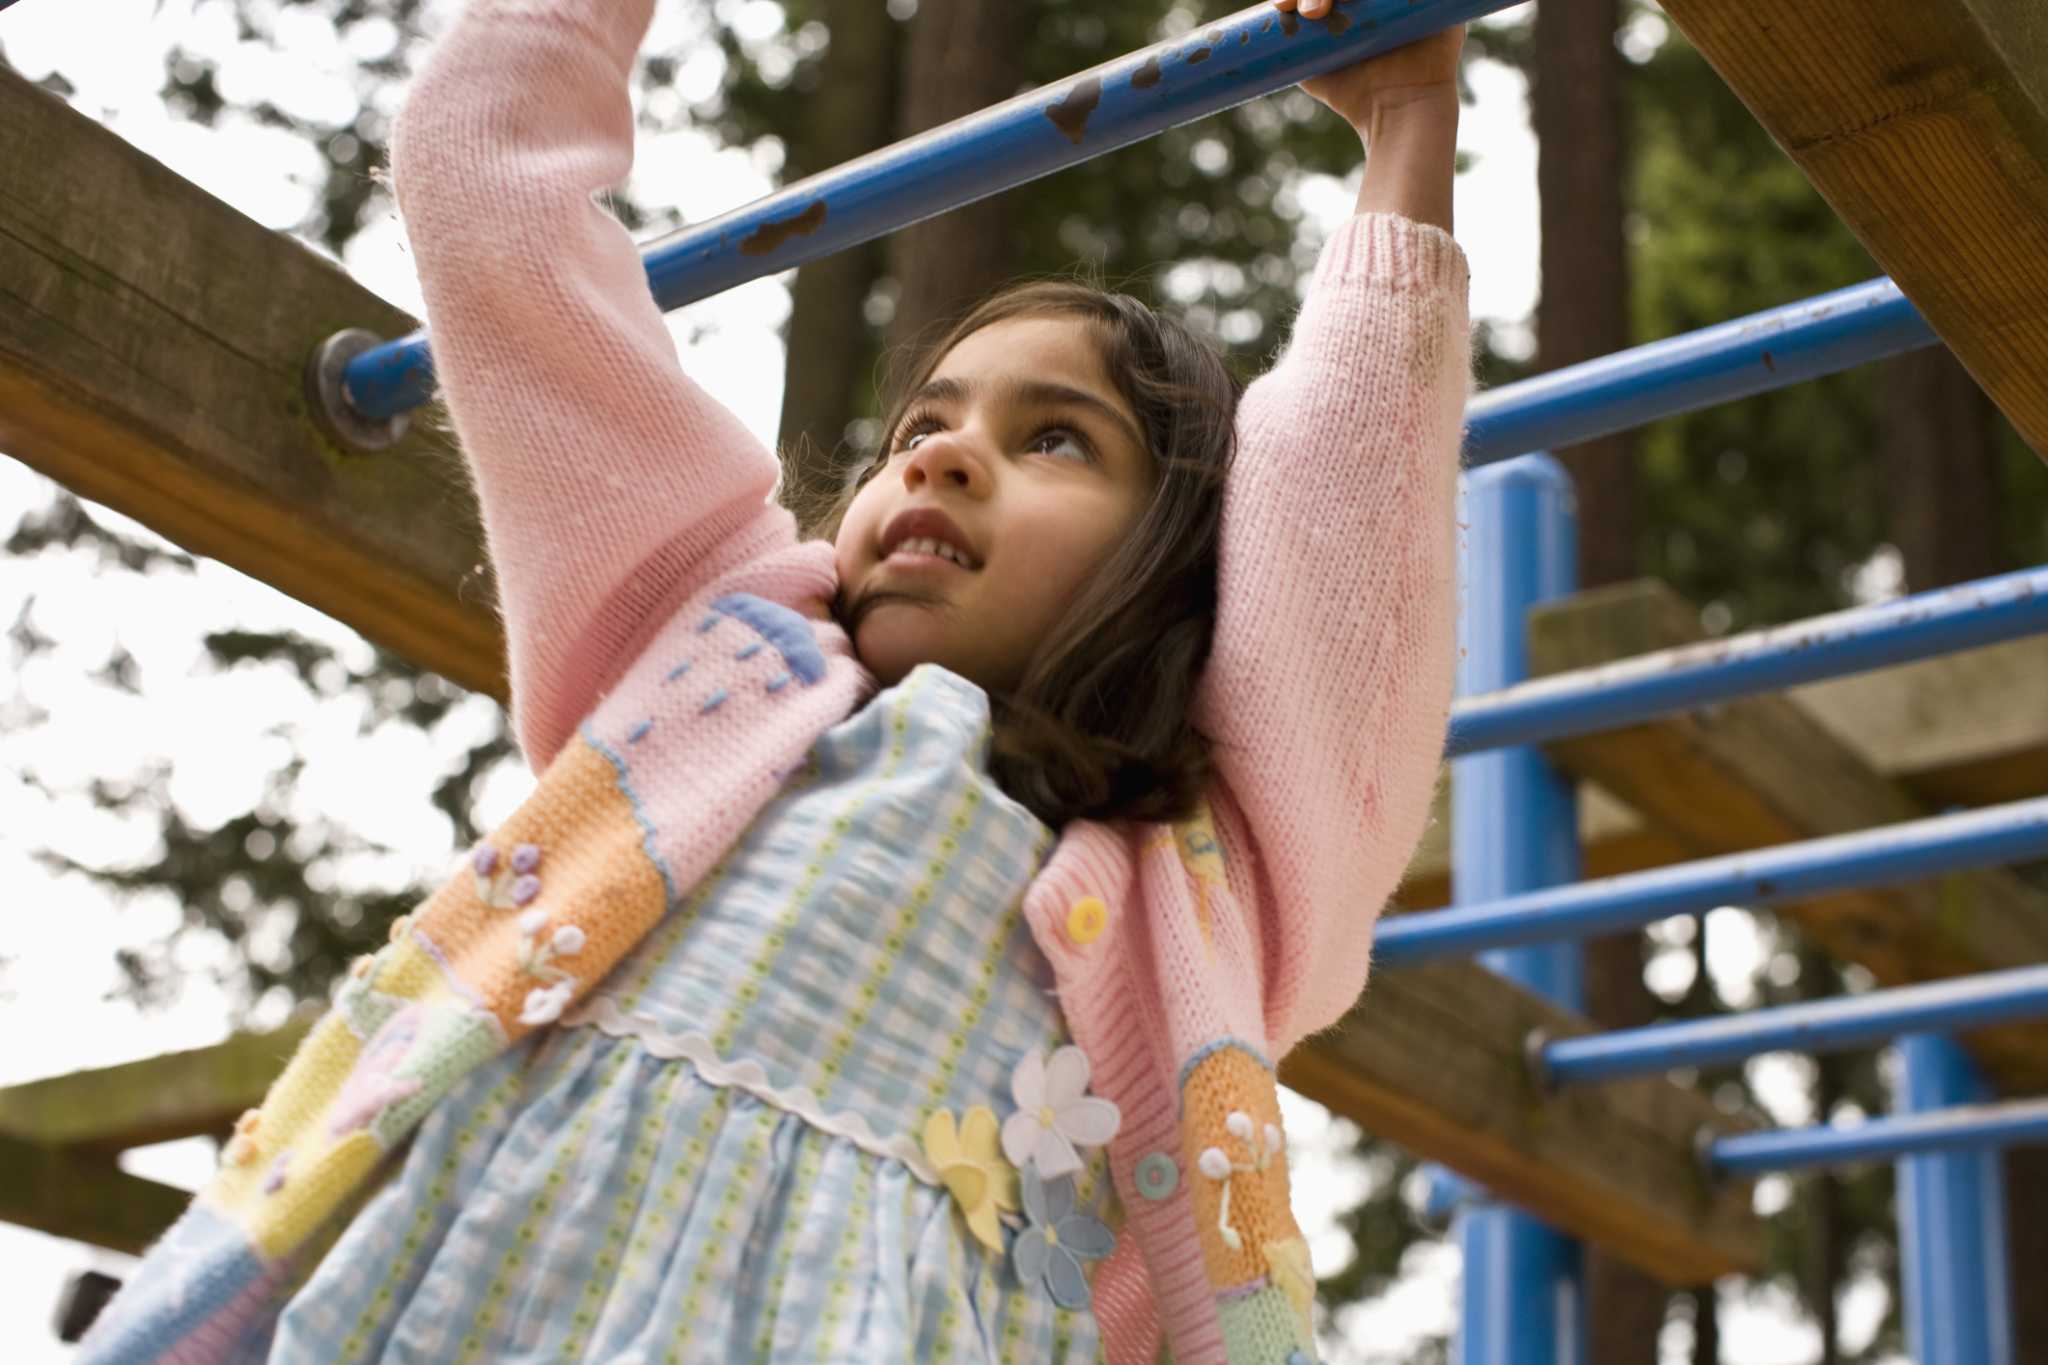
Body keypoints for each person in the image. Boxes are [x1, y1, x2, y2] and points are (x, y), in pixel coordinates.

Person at [78, 0, 1470, 1359]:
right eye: (921, 423)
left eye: (1055, 439)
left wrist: (1410, 123)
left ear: (1178, 563)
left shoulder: (1214, 877)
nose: (941, 453)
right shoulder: (703, 651)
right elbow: (491, 212)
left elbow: (1348, 525)